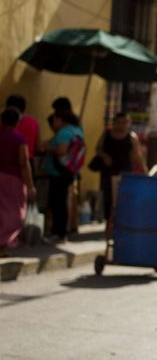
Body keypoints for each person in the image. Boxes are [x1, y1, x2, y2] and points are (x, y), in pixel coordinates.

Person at [43, 98, 84, 243]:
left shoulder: (65, 132)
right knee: (62, 202)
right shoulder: (77, 129)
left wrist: (47, 148)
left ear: (60, 118)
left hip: (59, 172)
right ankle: (61, 231)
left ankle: (58, 232)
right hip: (69, 171)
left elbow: (61, 150)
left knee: (58, 202)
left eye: (55, 118)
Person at [95, 112, 147, 220]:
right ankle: (108, 221)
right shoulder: (107, 134)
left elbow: (138, 156)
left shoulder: (132, 137)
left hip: (124, 172)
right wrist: (104, 156)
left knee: (122, 198)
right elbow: (98, 148)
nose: (122, 125)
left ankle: (120, 221)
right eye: (120, 122)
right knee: (108, 197)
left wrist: (145, 171)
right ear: (115, 123)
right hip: (108, 172)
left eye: (125, 122)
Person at [0, 107, 36, 256]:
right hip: (13, 180)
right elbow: (24, 164)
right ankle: (2, 243)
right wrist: (31, 186)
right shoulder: (19, 139)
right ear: (17, 122)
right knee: (14, 214)